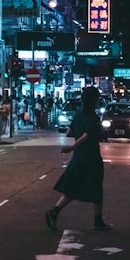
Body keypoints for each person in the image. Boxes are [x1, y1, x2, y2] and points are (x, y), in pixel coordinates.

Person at [45, 85, 111, 231]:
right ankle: (98, 220)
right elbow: (86, 136)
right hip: (91, 156)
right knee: (95, 186)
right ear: (95, 100)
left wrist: (73, 145)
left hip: (79, 156)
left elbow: (70, 131)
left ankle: (55, 212)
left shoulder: (79, 115)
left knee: (74, 187)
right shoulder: (93, 117)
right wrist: (71, 147)